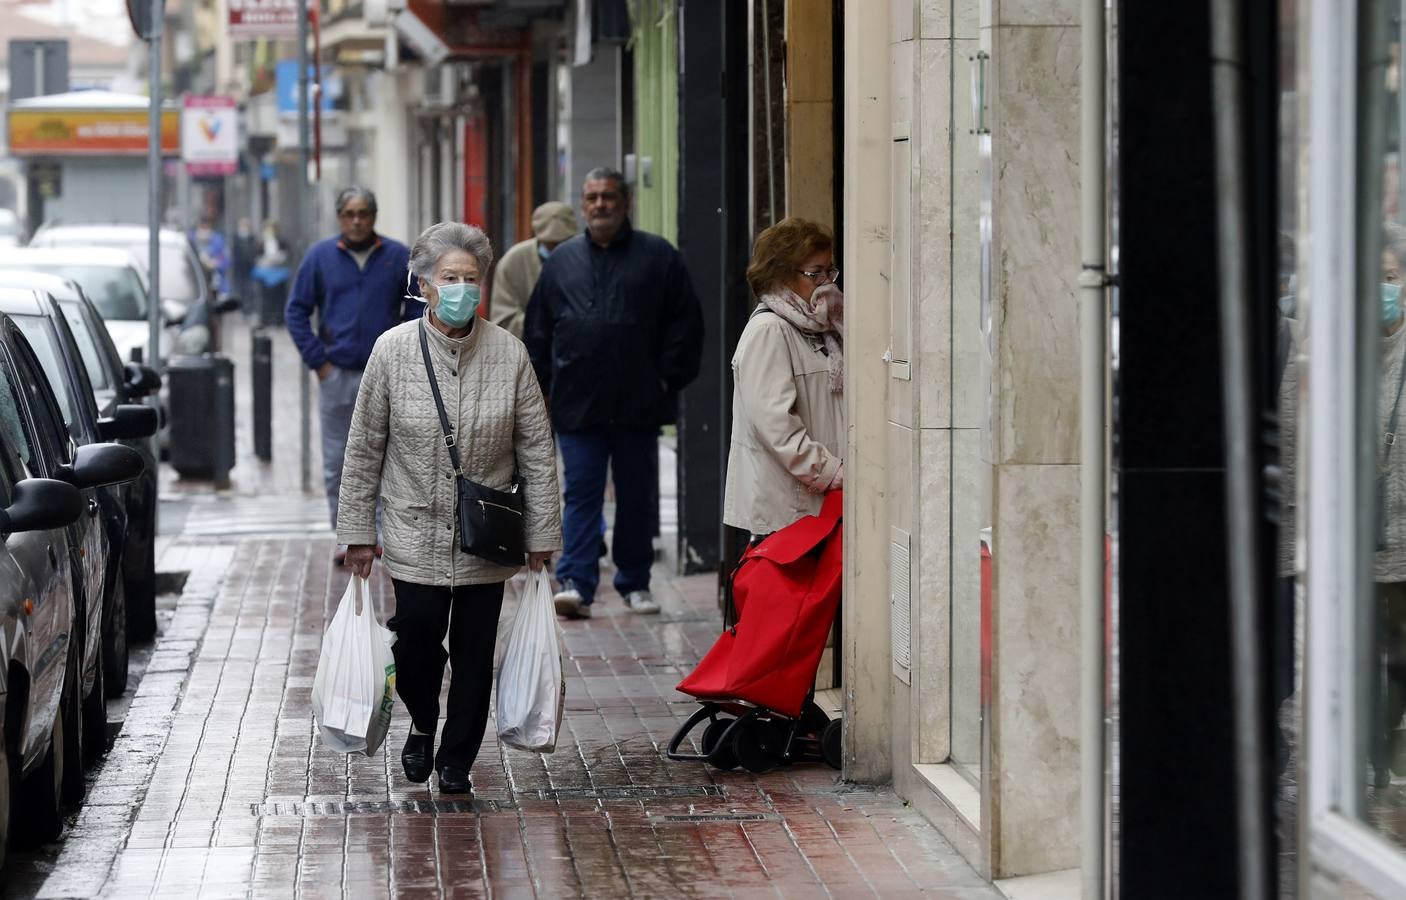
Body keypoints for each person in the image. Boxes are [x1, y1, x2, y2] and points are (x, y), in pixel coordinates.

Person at [337, 221, 561, 794]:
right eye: (448, 278)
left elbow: (536, 447)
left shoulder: (509, 354)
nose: (460, 288)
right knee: (416, 635)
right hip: (413, 525)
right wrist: (358, 533)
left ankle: (457, 756)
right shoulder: (391, 351)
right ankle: (419, 722)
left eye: (470, 278)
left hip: (486, 532)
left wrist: (542, 534)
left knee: (474, 649)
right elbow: (365, 446)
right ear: (424, 284)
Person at [524, 166, 704, 619]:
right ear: (583, 206)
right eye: (592, 197)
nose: (600, 204)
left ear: (626, 203)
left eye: (608, 196)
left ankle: (635, 583)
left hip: (639, 405)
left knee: (637, 495)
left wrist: (666, 379)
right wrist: (541, 391)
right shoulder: (561, 262)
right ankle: (576, 584)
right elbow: (538, 333)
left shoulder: (658, 257)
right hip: (577, 406)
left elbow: (686, 326)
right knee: (581, 493)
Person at [286, 187, 420, 559]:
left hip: (386, 376)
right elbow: (296, 311)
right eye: (349, 213)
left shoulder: (396, 256)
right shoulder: (320, 257)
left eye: (363, 213)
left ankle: (378, 533)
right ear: (339, 217)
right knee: (338, 460)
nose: (357, 220)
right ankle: (346, 535)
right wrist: (320, 362)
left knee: (389, 456)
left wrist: (404, 359)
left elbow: (416, 310)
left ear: (374, 216)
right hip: (338, 375)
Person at [723, 217, 844, 538]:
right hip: (788, 510)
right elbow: (774, 424)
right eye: (814, 273)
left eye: (829, 271)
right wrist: (830, 472)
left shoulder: (823, 329)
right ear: (781, 275)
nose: (826, 283)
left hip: (818, 504)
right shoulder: (769, 330)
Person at [488, 201, 577, 339]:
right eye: (550, 244)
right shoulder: (513, 261)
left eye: (563, 242)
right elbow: (503, 319)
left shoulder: (585, 257)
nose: (557, 250)